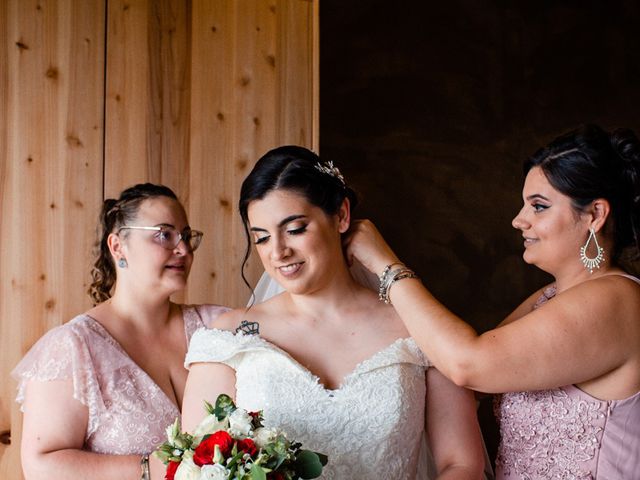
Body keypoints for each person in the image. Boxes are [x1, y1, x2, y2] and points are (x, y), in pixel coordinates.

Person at [345, 124, 640, 478]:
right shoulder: (552, 297)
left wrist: (385, 265)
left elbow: (468, 364)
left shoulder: (616, 300)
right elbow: (464, 382)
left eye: (539, 206)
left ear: (594, 215)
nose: (519, 220)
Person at [182, 146, 486, 479]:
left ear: (341, 215)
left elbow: (461, 464)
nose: (278, 252)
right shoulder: (227, 339)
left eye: (295, 229)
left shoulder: (416, 328)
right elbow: (197, 468)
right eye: (263, 239)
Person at [12, 183, 228, 479]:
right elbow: (42, 465)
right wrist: (150, 468)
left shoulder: (215, 327)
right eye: (164, 234)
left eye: (187, 236)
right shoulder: (75, 347)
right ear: (118, 246)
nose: (184, 249)